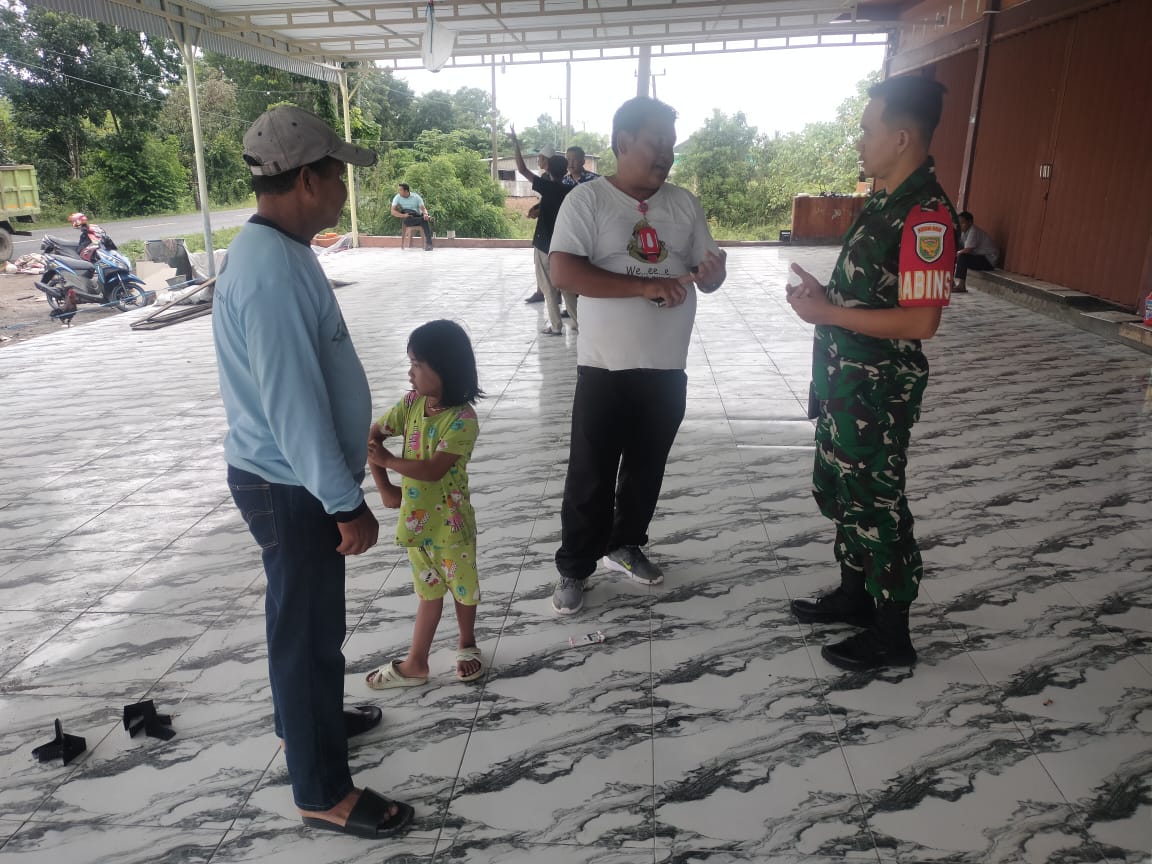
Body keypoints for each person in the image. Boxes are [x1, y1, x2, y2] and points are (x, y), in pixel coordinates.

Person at [213, 105, 413, 839]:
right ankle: (321, 792)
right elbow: (292, 402)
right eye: (337, 177)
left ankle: (307, 721)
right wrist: (342, 501)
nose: (342, 191)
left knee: (298, 625)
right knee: (309, 634)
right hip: (290, 484)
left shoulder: (281, 249)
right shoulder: (269, 271)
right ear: (305, 180)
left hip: (288, 476)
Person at [785, 76, 958, 671]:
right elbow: (871, 293)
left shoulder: (927, 215)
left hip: (877, 392)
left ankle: (891, 633)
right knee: (842, 491)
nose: (860, 141)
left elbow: (922, 321)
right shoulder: (885, 202)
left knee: (877, 502)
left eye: (867, 130)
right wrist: (825, 297)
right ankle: (855, 595)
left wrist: (828, 313)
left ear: (902, 136)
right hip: (844, 383)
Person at [547, 96, 727, 616]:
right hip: (605, 365)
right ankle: (575, 566)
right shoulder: (588, 200)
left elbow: (707, 271)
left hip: (667, 366)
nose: (666, 153)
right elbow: (564, 272)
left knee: (646, 469)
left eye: (671, 143)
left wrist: (713, 275)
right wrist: (644, 287)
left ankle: (625, 544)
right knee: (591, 473)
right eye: (656, 142)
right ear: (623, 142)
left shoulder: (683, 204)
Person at [363, 320, 484, 688]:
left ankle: (467, 643)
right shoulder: (411, 403)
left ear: (444, 368)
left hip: (451, 525)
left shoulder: (462, 420)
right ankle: (417, 662)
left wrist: (388, 462)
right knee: (428, 591)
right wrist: (385, 488)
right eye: (410, 363)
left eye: (417, 364)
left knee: (462, 588)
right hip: (416, 523)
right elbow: (373, 436)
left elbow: (433, 470)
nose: (410, 373)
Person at [510, 127, 579, 336]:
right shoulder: (571, 191)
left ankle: (556, 326)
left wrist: (516, 143)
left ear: (548, 169)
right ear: (565, 171)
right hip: (564, 246)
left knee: (548, 287)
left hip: (544, 244)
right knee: (567, 286)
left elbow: (522, 169)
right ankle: (578, 322)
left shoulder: (547, 187)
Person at [524, 145, 556, 304]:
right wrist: (536, 208)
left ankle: (551, 294)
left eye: (540, 158)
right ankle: (541, 291)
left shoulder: (553, 178)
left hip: (551, 226)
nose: (538, 161)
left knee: (547, 261)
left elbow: (552, 203)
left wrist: (538, 210)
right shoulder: (545, 176)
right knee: (542, 261)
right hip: (546, 224)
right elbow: (545, 201)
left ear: (546, 160)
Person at [954, 210, 997, 292]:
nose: (960, 225)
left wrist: (956, 253)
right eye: (959, 223)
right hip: (978, 258)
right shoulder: (964, 232)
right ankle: (952, 282)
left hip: (988, 261)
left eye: (963, 223)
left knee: (963, 257)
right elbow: (961, 247)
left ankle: (961, 286)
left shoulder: (973, 231)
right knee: (959, 255)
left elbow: (968, 250)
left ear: (970, 222)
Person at [390, 183, 433, 250]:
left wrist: (425, 214)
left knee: (424, 218)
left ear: (406, 191)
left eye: (400, 190)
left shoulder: (416, 197)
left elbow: (423, 209)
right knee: (422, 220)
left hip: (417, 215)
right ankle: (426, 219)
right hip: (407, 217)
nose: (399, 192)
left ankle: (429, 244)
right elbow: (392, 211)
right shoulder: (397, 197)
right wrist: (403, 215)